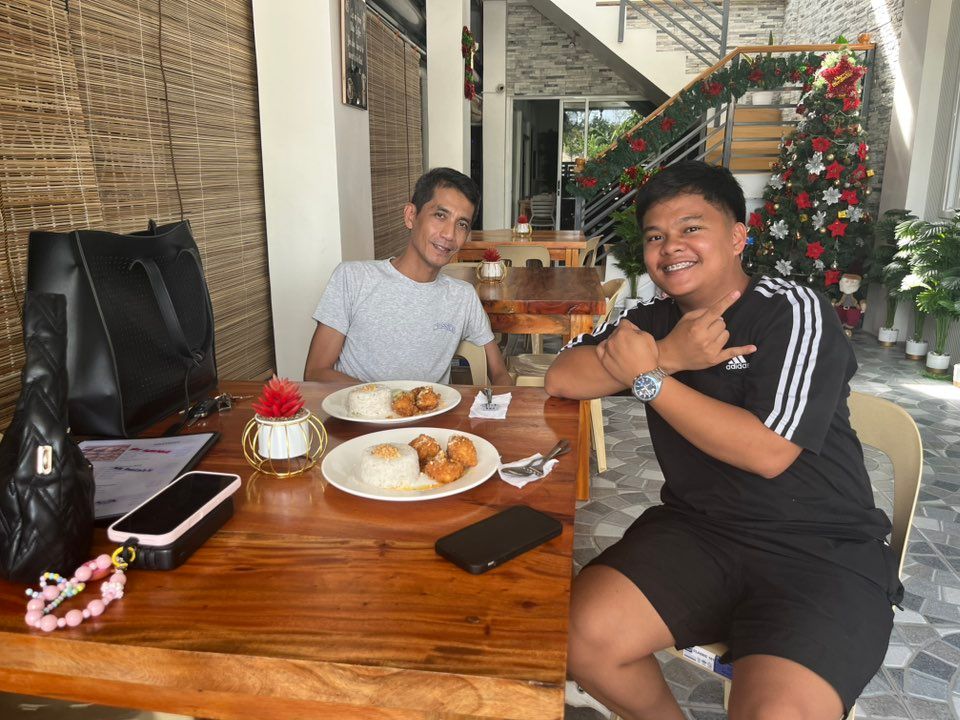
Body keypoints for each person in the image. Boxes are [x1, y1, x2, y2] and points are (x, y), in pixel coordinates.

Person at [545, 161, 901, 720]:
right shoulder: (650, 320)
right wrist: (670, 355)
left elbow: (768, 452)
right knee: (580, 637)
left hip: (819, 548)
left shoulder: (792, 309)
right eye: (656, 236)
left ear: (738, 236)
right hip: (699, 533)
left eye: (691, 228)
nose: (671, 247)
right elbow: (562, 376)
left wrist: (650, 379)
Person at [304, 167, 512, 386]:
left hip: (433, 409)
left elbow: (499, 373)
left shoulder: (463, 297)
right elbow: (316, 372)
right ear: (411, 216)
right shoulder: (353, 279)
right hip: (355, 408)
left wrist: (509, 402)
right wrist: (385, 400)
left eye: (462, 224)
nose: (449, 234)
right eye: (440, 215)